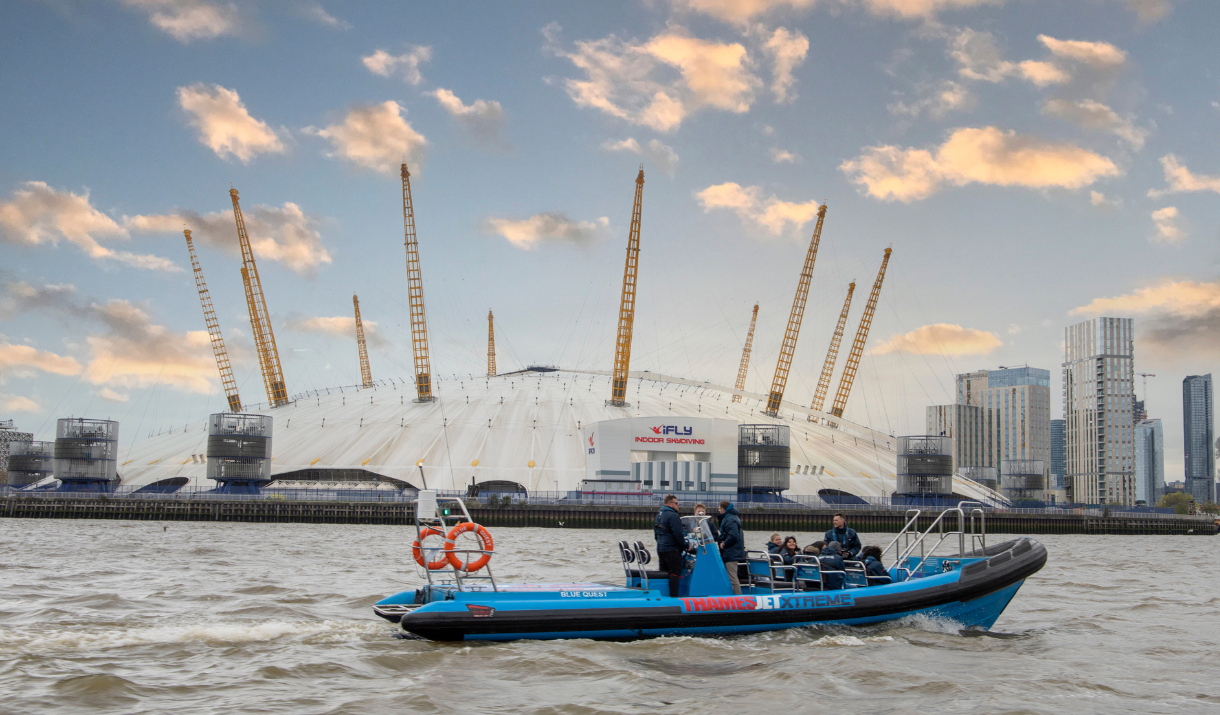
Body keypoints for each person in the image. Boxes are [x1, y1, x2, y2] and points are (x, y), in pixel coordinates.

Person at [654, 494, 687, 597]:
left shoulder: (659, 515)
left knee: (664, 572)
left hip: (661, 548)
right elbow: (678, 534)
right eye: (676, 503)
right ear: (670, 504)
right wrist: (685, 546)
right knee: (674, 572)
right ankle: (674, 595)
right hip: (672, 549)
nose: (678, 505)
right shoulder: (673, 515)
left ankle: (662, 596)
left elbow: (656, 534)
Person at [716, 501, 744, 595]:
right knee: (730, 576)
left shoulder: (729, 519)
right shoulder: (731, 517)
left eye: (719, 509)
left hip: (731, 552)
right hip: (731, 551)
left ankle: (738, 599)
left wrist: (724, 544)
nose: (719, 511)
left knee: (732, 577)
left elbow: (733, 535)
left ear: (723, 509)